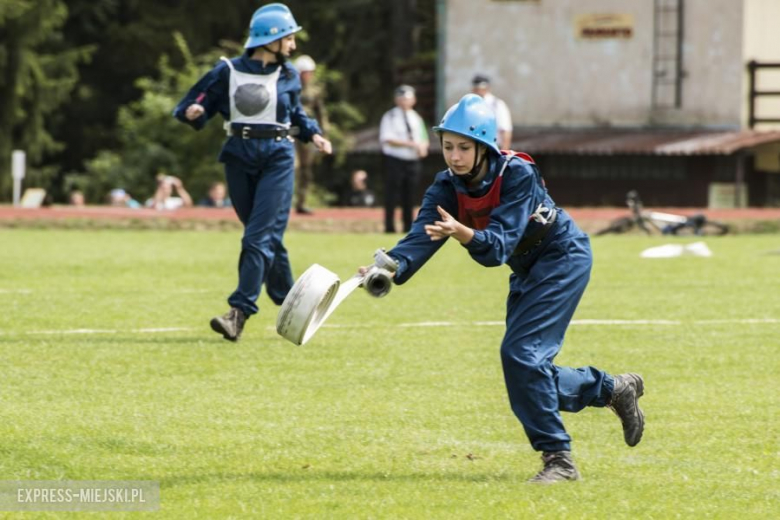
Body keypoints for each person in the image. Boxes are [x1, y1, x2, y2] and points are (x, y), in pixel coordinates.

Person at [359, 94, 645, 483]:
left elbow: (496, 247)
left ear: (484, 147)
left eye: (463, 147)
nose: (454, 156)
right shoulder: (445, 186)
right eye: (447, 147)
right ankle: (612, 389)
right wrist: (390, 268)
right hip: (528, 267)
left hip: (562, 257)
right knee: (526, 367)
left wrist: (462, 232)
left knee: (521, 357)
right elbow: (419, 238)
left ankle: (559, 461)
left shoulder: (517, 175)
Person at [173, 3, 332, 341]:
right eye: (289, 38)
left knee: (257, 237)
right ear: (271, 39)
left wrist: (314, 133)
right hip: (237, 156)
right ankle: (292, 298)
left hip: (278, 157)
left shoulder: (288, 75)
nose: (293, 45)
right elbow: (192, 103)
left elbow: (296, 114)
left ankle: (238, 312)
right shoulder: (227, 71)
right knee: (265, 235)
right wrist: (194, 111)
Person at [379, 85, 429, 233]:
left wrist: (423, 147)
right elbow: (387, 138)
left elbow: (423, 137)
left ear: (413, 100)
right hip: (395, 159)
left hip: (412, 160)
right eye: (401, 98)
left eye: (407, 98)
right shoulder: (390, 116)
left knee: (410, 194)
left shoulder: (416, 117)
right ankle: (389, 226)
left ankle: (408, 226)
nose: (404, 101)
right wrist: (412, 144)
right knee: (392, 194)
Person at [293, 54, 329, 215]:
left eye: (310, 72)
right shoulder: (289, 86)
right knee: (292, 166)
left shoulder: (315, 90)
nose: (308, 75)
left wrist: (324, 133)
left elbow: (320, 112)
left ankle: (301, 202)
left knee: (306, 169)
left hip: (307, 133)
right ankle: (284, 201)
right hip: (289, 132)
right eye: (305, 72)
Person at [471, 74, 513, 150]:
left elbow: (505, 130)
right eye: (476, 89)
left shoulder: (497, 105)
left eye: (481, 89)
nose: (479, 91)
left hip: (494, 147)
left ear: (487, 88)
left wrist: (504, 153)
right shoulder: (471, 105)